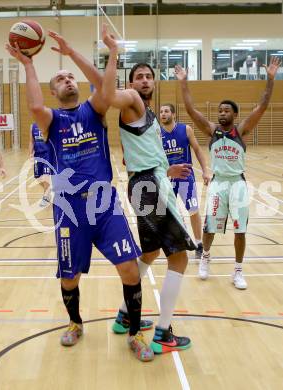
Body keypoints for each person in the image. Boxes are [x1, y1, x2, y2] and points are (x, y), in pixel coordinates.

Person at [6, 33, 154, 362]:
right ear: (53, 92)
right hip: (69, 208)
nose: (67, 79)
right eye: (59, 79)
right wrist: (29, 65)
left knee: (129, 269)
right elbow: (32, 105)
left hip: (104, 203)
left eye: (70, 76)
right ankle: (75, 322)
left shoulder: (94, 110)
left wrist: (83, 54)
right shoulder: (51, 120)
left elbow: (104, 88)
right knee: (69, 277)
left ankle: (134, 333)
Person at [102, 25, 195, 355]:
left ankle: (124, 316)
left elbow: (142, 154)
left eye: (148, 76)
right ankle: (162, 332)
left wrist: (165, 169)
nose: (143, 80)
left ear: (154, 82)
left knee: (151, 253)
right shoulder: (130, 100)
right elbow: (109, 96)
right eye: (138, 76)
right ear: (131, 83)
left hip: (148, 182)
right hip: (151, 188)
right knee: (180, 258)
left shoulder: (151, 115)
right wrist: (112, 53)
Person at [174, 56, 281, 289]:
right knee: (210, 226)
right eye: (220, 110)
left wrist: (270, 79)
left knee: (240, 229)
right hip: (218, 184)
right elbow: (191, 110)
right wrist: (184, 82)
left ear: (234, 114)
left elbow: (262, 106)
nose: (221, 113)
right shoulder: (212, 131)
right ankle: (206, 258)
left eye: (226, 110)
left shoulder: (241, 130)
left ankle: (238, 271)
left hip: (238, 185)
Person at [160, 103, 210, 259]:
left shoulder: (186, 129)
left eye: (166, 111)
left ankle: (199, 243)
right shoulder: (156, 134)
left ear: (173, 114)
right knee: (169, 213)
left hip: (186, 178)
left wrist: (205, 170)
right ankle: (177, 241)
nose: (163, 114)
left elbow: (197, 150)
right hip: (167, 178)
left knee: (193, 211)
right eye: (161, 112)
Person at [29, 122, 51, 207]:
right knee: (38, 177)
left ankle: (45, 197)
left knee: (46, 175)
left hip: (47, 154)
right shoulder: (32, 126)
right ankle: (48, 190)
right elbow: (31, 141)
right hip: (37, 155)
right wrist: (30, 154)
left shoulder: (48, 124)